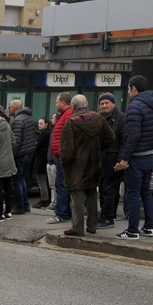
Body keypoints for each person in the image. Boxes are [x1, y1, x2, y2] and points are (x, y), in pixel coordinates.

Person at [114, 75, 153, 240]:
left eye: (128, 89)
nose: (128, 92)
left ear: (133, 88)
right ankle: (149, 227)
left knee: (132, 193)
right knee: (146, 192)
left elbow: (132, 136)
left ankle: (132, 230)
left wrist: (124, 159)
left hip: (137, 157)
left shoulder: (135, 106)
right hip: (149, 155)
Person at [60, 95, 115, 236]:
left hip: (76, 166)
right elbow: (111, 137)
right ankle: (92, 225)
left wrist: (65, 164)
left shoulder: (71, 123)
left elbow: (66, 151)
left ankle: (77, 227)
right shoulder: (98, 119)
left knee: (77, 197)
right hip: (94, 162)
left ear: (72, 107)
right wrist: (98, 148)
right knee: (91, 194)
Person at [96, 93, 127, 229]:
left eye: (106, 103)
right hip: (101, 161)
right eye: (102, 103)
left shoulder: (122, 118)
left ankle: (108, 217)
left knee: (109, 190)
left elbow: (124, 142)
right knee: (103, 189)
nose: (104, 106)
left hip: (114, 160)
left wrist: (121, 160)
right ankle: (107, 214)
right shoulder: (99, 117)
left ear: (113, 104)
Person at [48, 93, 74, 224]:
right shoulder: (65, 114)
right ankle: (65, 212)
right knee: (62, 184)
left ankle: (61, 213)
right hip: (60, 155)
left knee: (61, 184)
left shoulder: (68, 114)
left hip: (62, 156)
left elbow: (68, 136)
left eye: (57, 101)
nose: (56, 104)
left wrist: (61, 152)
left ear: (63, 102)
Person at [9, 100, 36, 215]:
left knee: (17, 180)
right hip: (28, 153)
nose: (9, 109)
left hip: (20, 154)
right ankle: (25, 204)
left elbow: (16, 140)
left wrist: (12, 154)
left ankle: (19, 206)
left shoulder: (18, 120)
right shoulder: (28, 118)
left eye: (10, 107)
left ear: (13, 107)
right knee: (22, 180)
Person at [32, 118, 52, 209]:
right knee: (45, 182)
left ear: (46, 124)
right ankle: (46, 199)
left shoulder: (44, 134)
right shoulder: (47, 133)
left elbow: (38, 147)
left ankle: (44, 199)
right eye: (39, 123)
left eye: (41, 123)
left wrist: (35, 149)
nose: (39, 125)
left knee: (42, 182)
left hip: (41, 160)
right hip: (44, 159)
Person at [45, 113, 58, 211]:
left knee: (55, 184)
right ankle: (53, 202)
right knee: (51, 184)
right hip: (49, 161)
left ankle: (55, 203)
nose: (51, 119)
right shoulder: (53, 131)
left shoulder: (57, 131)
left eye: (53, 118)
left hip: (54, 162)